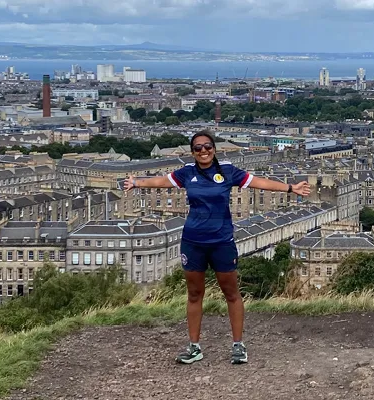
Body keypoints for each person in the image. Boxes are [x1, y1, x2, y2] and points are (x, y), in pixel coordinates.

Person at [124, 130, 311, 365]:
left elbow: (258, 182)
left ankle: (238, 345)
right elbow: (161, 181)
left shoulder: (228, 171)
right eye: (198, 148)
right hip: (193, 242)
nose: (203, 151)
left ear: (214, 149)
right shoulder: (187, 173)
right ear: (192, 152)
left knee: (231, 293)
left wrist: (290, 188)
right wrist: (136, 183)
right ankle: (194, 347)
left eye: (207, 146)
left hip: (221, 241)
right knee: (194, 294)